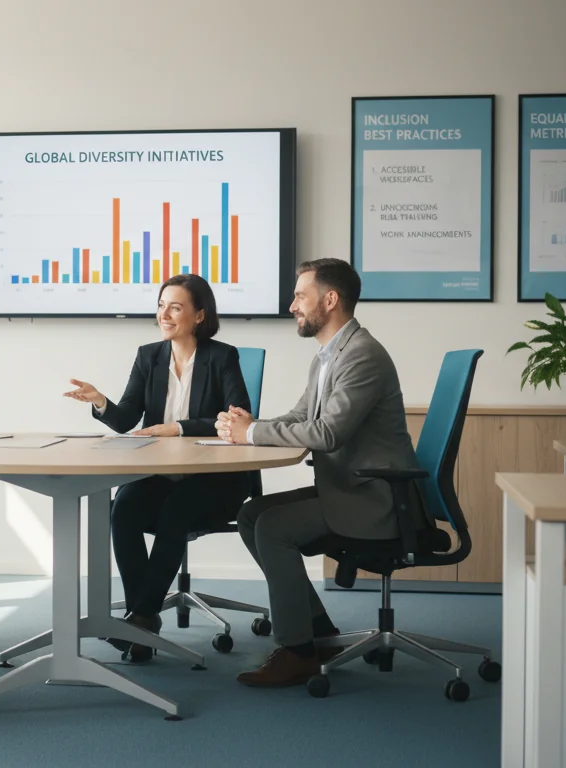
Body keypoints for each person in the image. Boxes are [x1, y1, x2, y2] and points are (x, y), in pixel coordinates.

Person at [215, 258, 428, 688]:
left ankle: (297, 652)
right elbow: (300, 416)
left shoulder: (362, 355)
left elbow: (328, 433)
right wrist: (249, 423)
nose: (292, 304)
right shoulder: (329, 355)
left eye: (299, 296)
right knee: (252, 514)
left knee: (272, 527)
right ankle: (320, 633)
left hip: (375, 499)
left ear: (329, 300)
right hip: (347, 487)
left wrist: (252, 433)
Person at [65, 273, 253, 662]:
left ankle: (141, 618)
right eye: (161, 305)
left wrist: (178, 428)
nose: (164, 314)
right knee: (124, 508)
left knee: (176, 511)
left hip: (212, 480)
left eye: (176, 307)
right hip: (159, 475)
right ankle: (143, 618)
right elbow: (126, 420)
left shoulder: (223, 356)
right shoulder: (148, 355)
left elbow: (237, 417)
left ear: (199, 315)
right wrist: (101, 401)